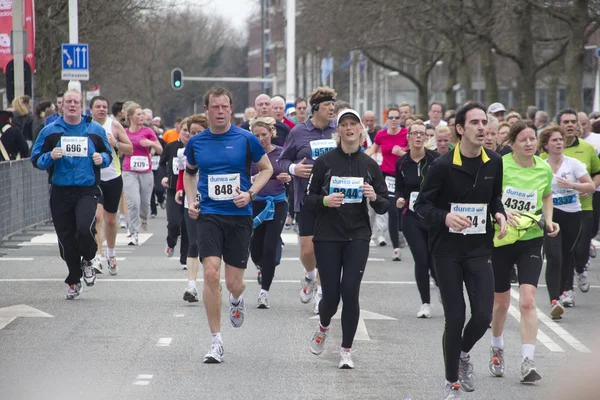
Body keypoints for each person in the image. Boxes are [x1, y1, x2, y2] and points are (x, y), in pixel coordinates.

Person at [414, 102, 507, 399]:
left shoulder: (494, 161)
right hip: (446, 250)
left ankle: (463, 353)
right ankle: (451, 379)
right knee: (455, 316)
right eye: (475, 123)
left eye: (485, 122)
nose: (482, 127)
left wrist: (500, 214)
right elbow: (421, 206)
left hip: (479, 248)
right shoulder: (441, 165)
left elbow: (494, 199)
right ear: (460, 129)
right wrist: (445, 216)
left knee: (482, 316)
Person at [183, 87, 273, 363]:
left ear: (231, 109)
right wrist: (191, 201)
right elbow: (189, 174)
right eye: (215, 107)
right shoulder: (196, 143)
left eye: (224, 107)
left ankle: (236, 298)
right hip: (209, 214)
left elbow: (266, 169)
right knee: (210, 273)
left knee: (234, 282)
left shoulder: (246, 139)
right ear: (207, 110)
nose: (220, 112)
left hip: (239, 216)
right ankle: (216, 342)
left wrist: (251, 193)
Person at [306, 109, 389, 369]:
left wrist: (374, 197)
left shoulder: (369, 165)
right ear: (338, 131)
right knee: (330, 297)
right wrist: (324, 200)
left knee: (350, 291)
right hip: (328, 235)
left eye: (354, 124)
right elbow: (307, 200)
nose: (350, 128)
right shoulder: (324, 162)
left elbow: (385, 205)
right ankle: (323, 325)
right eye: (345, 124)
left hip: (357, 235)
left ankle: (346, 350)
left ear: (362, 130)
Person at [489, 120, 559, 384]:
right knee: (501, 304)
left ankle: (528, 361)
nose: (530, 143)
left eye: (533, 139)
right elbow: (491, 197)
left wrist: (549, 219)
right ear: (513, 144)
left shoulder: (543, 168)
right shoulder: (501, 166)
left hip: (531, 238)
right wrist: (503, 214)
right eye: (524, 140)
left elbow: (546, 196)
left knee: (528, 300)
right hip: (502, 239)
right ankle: (497, 348)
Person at [30, 90, 112, 299]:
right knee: (66, 239)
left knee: (84, 228)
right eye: (68, 102)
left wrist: (100, 158)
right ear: (62, 106)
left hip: (87, 189)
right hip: (60, 189)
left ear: (81, 104)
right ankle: (74, 280)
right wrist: (50, 156)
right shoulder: (50, 131)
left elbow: (109, 155)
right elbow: (36, 159)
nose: (72, 105)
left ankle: (88, 260)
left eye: (76, 101)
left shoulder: (94, 129)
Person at [279, 86, 337, 313]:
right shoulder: (298, 132)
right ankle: (310, 275)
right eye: (327, 106)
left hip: (333, 198)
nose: (332, 109)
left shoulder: (339, 129)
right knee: (307, 250)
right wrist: (294, 168)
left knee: (326, 249)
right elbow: (282, 161)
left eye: (333, 105)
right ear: (315, 108)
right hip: (306, 198)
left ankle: (321, 296)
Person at [542, 108, 600, 304]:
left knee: (568, 253)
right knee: (554, 256)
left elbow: (591, 185)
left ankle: (566, 290)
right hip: (551, 215)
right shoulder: (540, 164)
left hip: (574, 214)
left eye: (560, 140)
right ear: (546, 145)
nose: (559, 143)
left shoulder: (573, 163)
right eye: (554, 140)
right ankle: (554, 299)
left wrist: (573, 185)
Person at [395, 120, 439, 318]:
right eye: (415, 133)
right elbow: (398, 188)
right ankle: (425, 303)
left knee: (435, 261)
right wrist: (398, 199)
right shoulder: (402, 162)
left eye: (422, 133)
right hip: (411, 217)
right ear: (409, 137)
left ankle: (442, 288)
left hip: (433, 216)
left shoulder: (436, 160)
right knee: (421, 259)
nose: (419, 137)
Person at [248, 117, 291, 308]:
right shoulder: (249, 155)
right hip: (255, 204)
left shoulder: (281, 154)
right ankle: (260, 265)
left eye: (263, 135)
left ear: (271, 134)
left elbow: (292, 174)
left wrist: (288, 177)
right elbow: (239, 177)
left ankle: (264, 292)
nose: (260, 139)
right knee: (255, 247)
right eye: (256, 135)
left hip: (277, 204)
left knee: (269, 246)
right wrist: (252, 178)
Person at [90, 96, 133, 275]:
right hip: (94, 178)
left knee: (110, 219)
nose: (101, 109)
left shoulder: (114, 125)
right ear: (91, 109)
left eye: (104, 106)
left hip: (113, 177)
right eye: (97, 106)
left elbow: (130, 149)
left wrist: (115, 143)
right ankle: (97, 258)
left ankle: (111, 254)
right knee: (97, 218)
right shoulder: (86, 126)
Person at [366, 106, 409, 260]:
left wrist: (402, 153)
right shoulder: (381, 135)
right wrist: (362, 157)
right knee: (392, 210)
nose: (393, 120)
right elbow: (373, 149)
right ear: (386, 119)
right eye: (390, 117)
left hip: (403, 176)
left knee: (403, 209)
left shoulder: (406, 134)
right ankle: (396, 249)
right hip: (387, 176)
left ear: (400, 120)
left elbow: (414, 155)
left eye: (396, 118)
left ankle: (402, 232)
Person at [175, 114, 209, 302]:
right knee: (193, 243)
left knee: (210, 247)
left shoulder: (216, 149)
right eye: (191, 132)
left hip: (212, 203)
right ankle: (192, 286)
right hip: (192, 202)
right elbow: (184, 174)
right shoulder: (184, 153)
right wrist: (180, 190)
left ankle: (212, 280)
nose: (194, 136)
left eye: (199, 132)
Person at [122, 103, 163, 245]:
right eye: (138, 114)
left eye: (142, 114)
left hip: (145, 171)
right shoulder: (125, 132)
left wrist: (150, 143)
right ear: (130, 117)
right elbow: (119, 149)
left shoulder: (148, 131)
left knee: (145, 203)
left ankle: (144, 218)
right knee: (133, 202)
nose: (141, 116)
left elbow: (160, 149)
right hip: (129, 170)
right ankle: (134, 233)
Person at [160, 117, 191, 269]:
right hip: (173, 190)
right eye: (185, 130)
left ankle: (184, 259)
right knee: (174, 223)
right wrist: (165, 175)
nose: (187, 133)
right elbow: (161, 164)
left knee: (186, 225)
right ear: (180, 130)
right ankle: (171, 242)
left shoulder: (196, 147)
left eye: (190, 131)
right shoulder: (172, 147)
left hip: (190, 190)